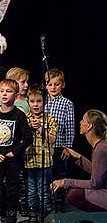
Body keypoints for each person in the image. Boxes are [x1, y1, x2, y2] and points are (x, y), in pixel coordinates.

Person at [0, 79, 32, 223]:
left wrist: (15, 151)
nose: (5, 94)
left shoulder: (19, 114)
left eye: (9, 91)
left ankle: (11, 222)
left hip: (13, 160)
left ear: (15, 95)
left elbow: (27, 137)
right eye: (2, 91)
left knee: (12, 190)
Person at [51, 109, 107, 212]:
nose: (80, 122)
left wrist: (65, 182)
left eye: (83, 120)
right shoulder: (101, 146)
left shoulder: (100, 149)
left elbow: (95, 183)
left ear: (89, 126)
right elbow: (98, 172)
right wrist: (78, 157)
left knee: (74, 194)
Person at [24, 84, 57, 223]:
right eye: (32, 101)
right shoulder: (25, 118)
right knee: (31, 191)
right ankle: (32, 215)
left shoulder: (49, 119)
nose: (35, 105)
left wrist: (40, 129)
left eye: (39, 101)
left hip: (45, 162)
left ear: (44, 102)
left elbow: (52, 140)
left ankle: (46, 215)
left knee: (43, 189)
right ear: (28, 102)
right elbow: (20, 137)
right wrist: (29, 127)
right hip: (29, 161)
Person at [44, 68, 75, 212]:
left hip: (59, 146)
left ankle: (59, 201)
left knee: (59, 174)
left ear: (62, 85)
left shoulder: (67, 103)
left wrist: (67, 147)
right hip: (43, 147)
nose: (53, 87)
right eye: (50, 84)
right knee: (45, 174)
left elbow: (69, 126)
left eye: (56, 84)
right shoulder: (42, 101)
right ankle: (46, 202)